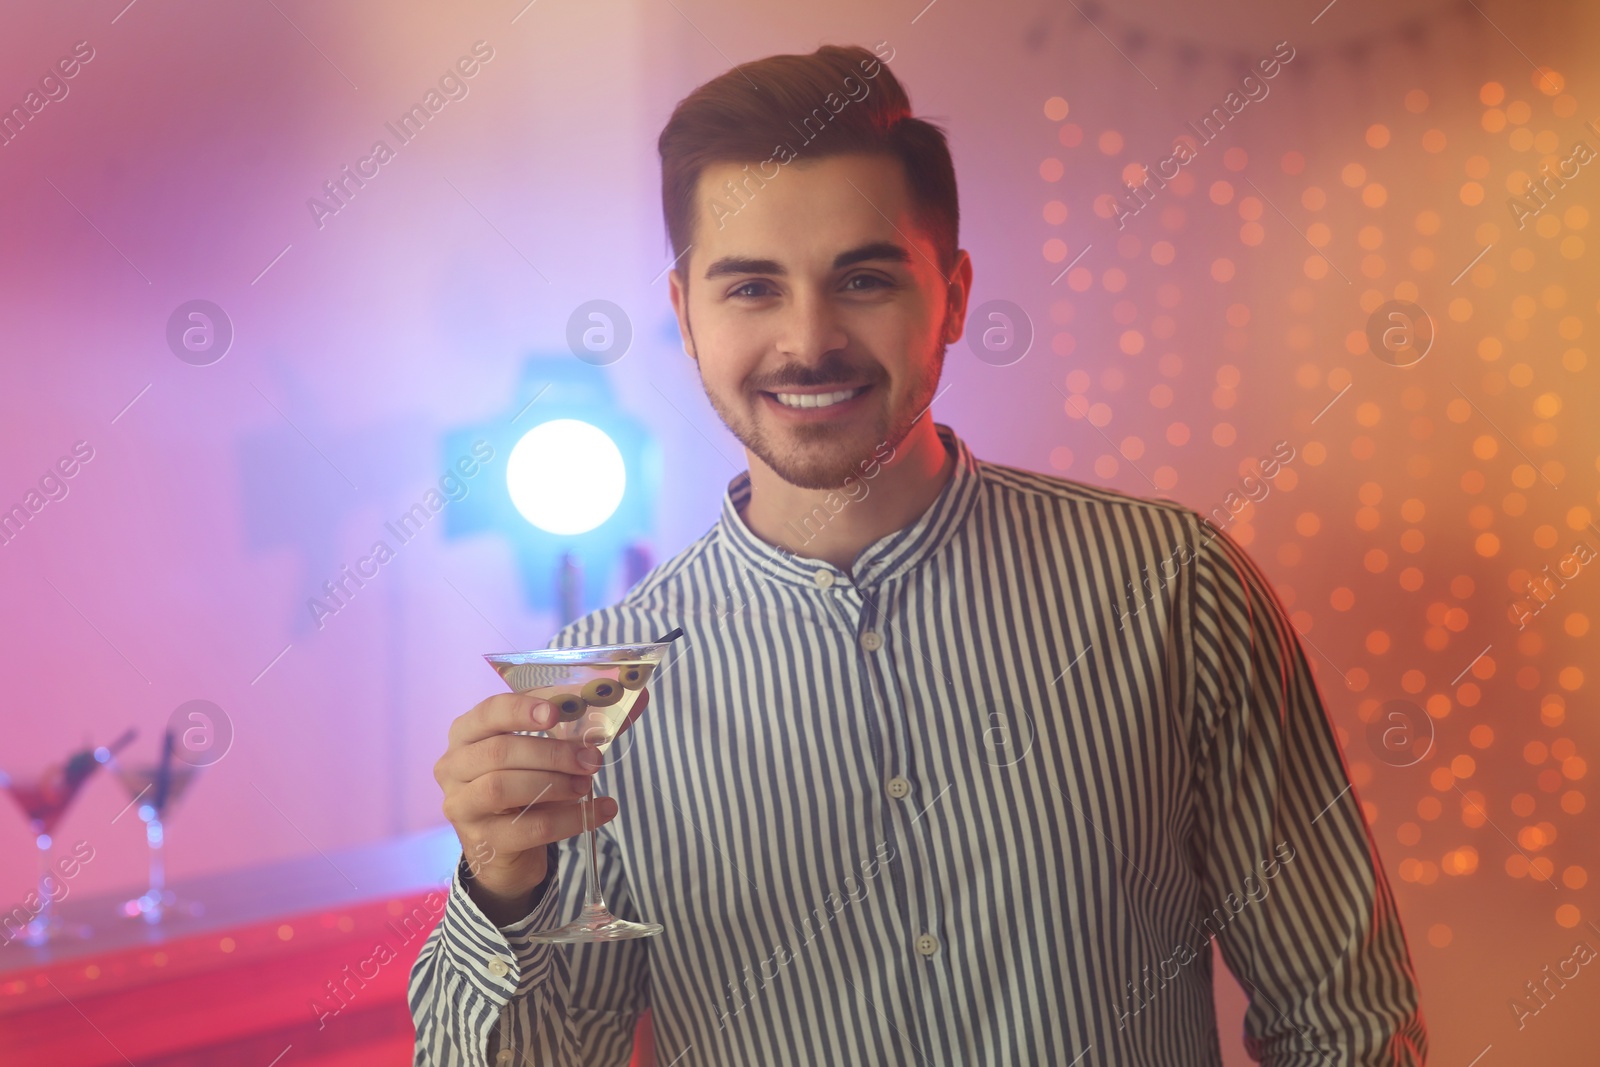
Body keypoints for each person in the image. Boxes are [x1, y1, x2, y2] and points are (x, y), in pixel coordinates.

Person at [410, 43, 1427, 1066]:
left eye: (861, 278)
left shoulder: (1173, 586)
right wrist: (501, 886)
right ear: (684, 314)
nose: (808, 340)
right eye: (751, 287)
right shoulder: (589, 690)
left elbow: (1343, 1018)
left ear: (951, 293)